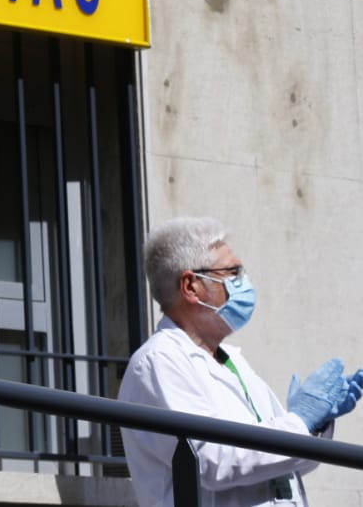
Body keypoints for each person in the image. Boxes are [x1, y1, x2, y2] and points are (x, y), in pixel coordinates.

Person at [118, 216, 363, 507]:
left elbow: (291, 464)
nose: (244, 283)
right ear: (191, 286)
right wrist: (300, 420)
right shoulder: (158, 362)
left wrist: (316, 424)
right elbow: (212, 462)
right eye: (233, 273)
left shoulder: (232, 361)